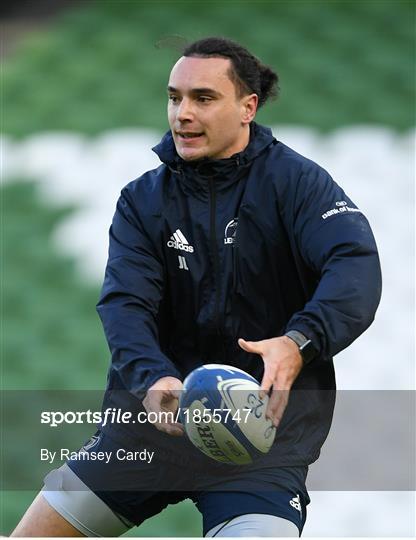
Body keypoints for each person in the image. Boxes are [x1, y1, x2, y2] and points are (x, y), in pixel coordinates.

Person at [12, 36, 382, 537]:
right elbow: (126, 305)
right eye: (174, 97)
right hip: (147, 432)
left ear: (248, 106)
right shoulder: (142, 201)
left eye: (203, 98)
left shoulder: (299, 185)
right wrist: (152, 380)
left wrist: (299, 343)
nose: (182, 113)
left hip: (259, 445)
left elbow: (354, 266)